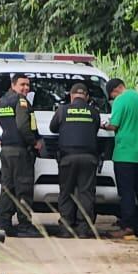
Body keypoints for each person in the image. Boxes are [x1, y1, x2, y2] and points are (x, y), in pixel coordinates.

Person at [102, 78, 138, 237]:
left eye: (111, 97)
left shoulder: (120, 100)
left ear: (114, 90)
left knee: (126, 192)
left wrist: (103, 125)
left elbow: (114, 125)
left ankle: (128, 226)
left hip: (125, 154)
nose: (112, 100)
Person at [49, 82, 101, 239]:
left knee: (66, 192)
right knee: (86, 193)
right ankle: (83, 229)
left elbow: (52, 128)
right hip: (88, 158)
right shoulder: (93, 112)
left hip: (67, 158)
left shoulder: (62, 110)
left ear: (71, 96)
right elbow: (96, 128)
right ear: (86, 97)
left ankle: (66, 228)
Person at [0, 74, 41, 238]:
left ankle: (4, 223)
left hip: (6, 149)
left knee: (7, 188)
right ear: (13, 85)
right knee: (23, 188)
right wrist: (33, 142)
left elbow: (1, 122)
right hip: (20, 151)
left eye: (28, 85)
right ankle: (24, 225)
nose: (26, 88)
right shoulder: (21, 101)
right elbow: (23, 125)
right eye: (22, 84)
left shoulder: (2, 101)